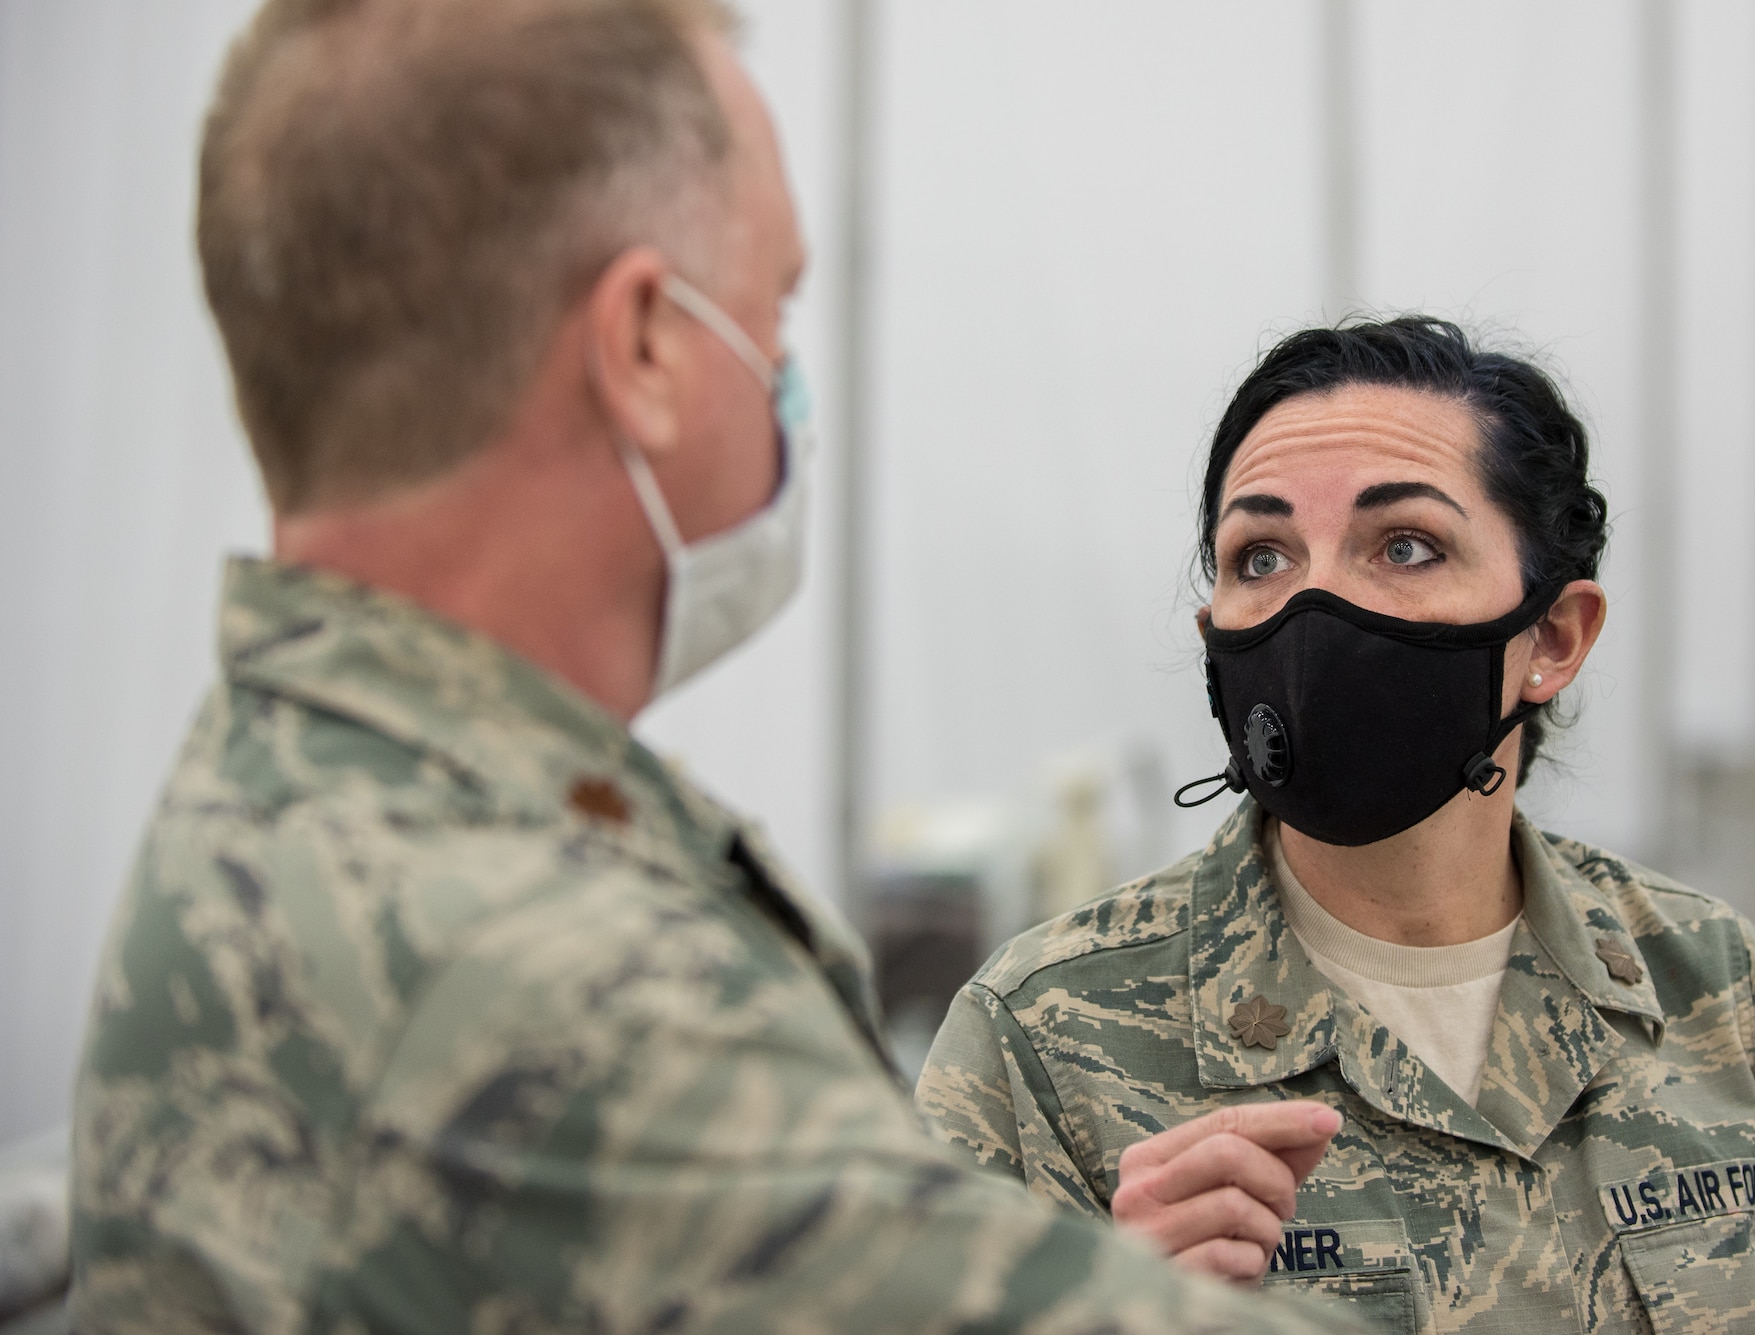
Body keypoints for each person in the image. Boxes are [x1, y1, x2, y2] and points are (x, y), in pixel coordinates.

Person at [65, 2, 1377, 1331]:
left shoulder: (314, 791)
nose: (785, 380)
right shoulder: (547, 977)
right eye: (775, 307)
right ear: (643, 342)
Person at [917, 318, 1755, 1332]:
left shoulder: (1719, 995)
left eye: (1403, 546)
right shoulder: (1041, 1041)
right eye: (1259, 556)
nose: (1314, 605)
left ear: (1549, 639)